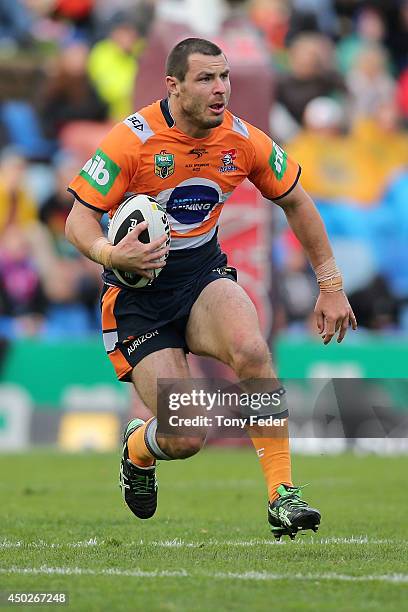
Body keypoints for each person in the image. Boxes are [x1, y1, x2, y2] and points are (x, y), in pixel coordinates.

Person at [66, 37, 357, 540]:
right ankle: (138, 450)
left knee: (251, 348)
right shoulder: (131, 141)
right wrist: (112, 255)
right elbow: (78, 219)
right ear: (173, 86)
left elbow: (299, 203)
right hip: (138, 299)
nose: (220, 89)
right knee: (187, 435)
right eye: (206, 79)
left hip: (201, 277)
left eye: (224, 77)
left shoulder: (242, 140)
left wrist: (330, 285)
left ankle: (282, 494)